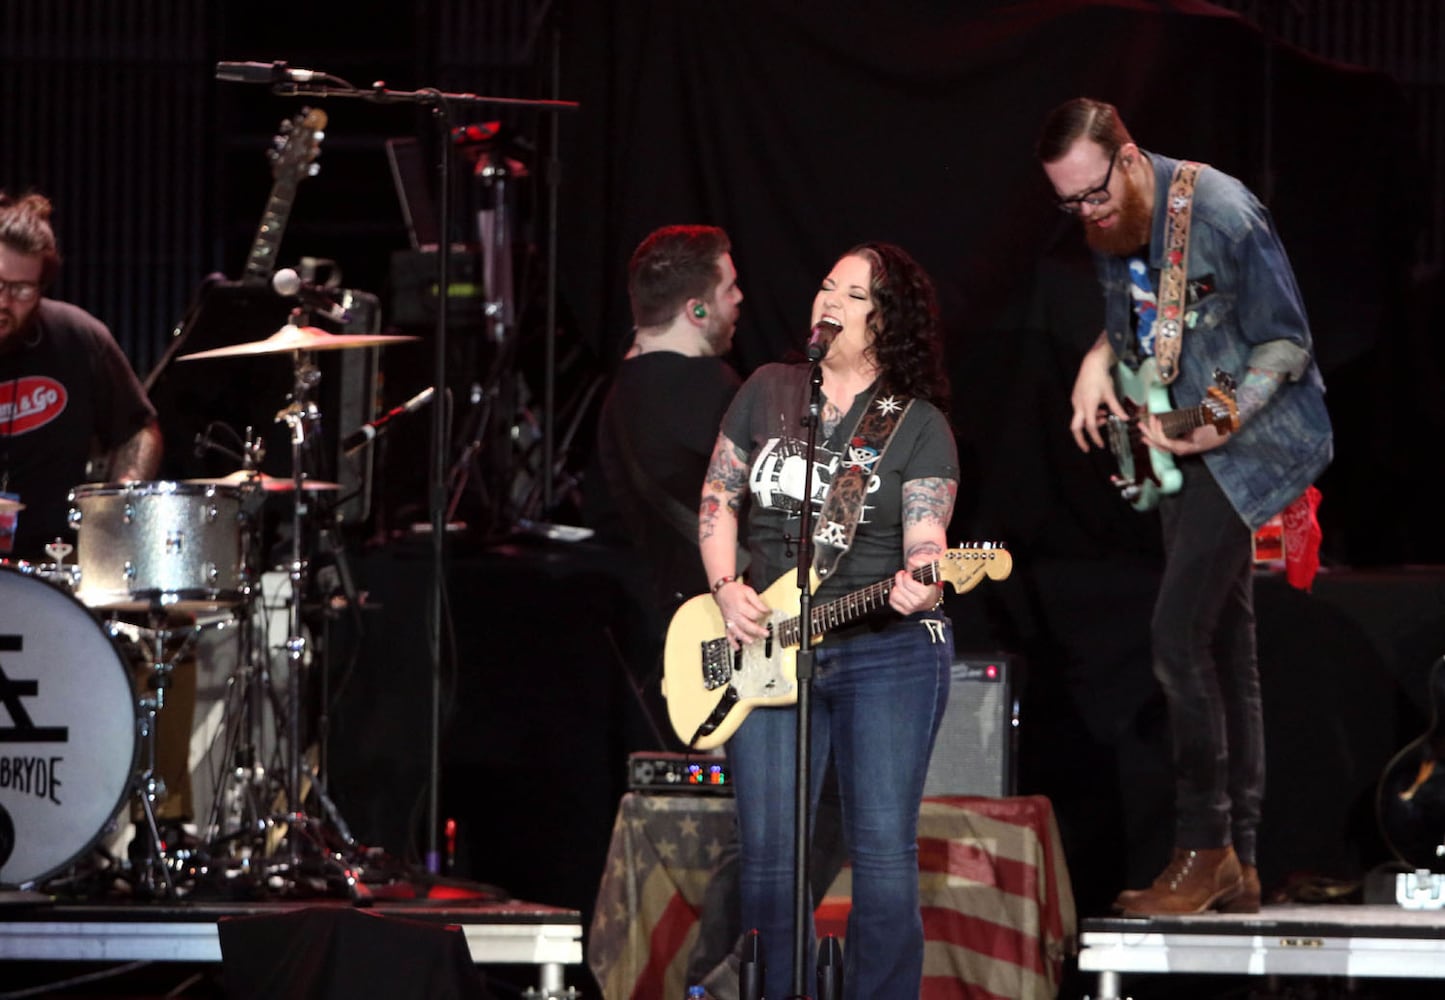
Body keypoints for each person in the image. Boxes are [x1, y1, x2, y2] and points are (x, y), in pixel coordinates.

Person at [1036, 98, 1333, 915]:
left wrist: (1218, 417)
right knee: (1222, 646)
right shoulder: (1114, 220)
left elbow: (1286, 340)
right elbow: (1143, 313)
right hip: (1177, 444)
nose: (1085, 214)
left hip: (1247, 444)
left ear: (1127, 159)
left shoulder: (1225, 213)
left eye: (1092, 194)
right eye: (1067, 204)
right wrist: (1100, 359)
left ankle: (1200, 846)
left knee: (1175, 637)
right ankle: (1236, 858)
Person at [699, 242, 958, 998]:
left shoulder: (916, 424)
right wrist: (724, 587)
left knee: (881, 853)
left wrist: (926, 581)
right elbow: (718, 501)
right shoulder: (768, 389)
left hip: (886, 650)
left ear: (887, 320)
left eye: (852, 294)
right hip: (772, 640)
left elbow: (926, 536)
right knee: (771, 855)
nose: (829, 302)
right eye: (825, 286)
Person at [0, 191, 161, 560]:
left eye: (22, 289)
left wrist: (122, 497)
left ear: (43, 286)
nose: (4, 302)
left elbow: (138, 428)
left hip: (56, 564)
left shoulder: (79, 337)